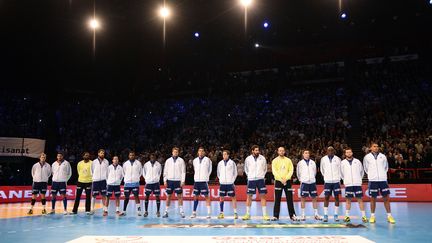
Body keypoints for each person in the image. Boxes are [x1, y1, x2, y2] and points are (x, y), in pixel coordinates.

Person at [363, 143, 395, 224]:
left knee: (386, 198)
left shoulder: (383, 156)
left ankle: (389, 216)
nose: (376, 148)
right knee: (373, 198)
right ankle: (372, 216)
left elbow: (386, 167)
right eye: (374, 146)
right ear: (371, 148)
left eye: (377, 146)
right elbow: (366, 168)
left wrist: (382, 175)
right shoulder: (367, 157)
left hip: (383, 180)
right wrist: (372, 175)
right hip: (373, 180)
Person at [242, 145, 270, 221]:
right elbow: (246, 169)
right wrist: (250, 176)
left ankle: (265, 215)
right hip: (251, 179)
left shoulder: (262, 158)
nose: (257, 151)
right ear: (252, 151)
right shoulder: (248, 159)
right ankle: (247, 214)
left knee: (263, 196)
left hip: (260, 179)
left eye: (258, 150)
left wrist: (261, 176)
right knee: (249, 196)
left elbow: (265, 168)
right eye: (256, 150)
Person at [271, 146, 298, 221]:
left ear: (284, 151)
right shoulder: (275, 161)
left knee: (290, 199)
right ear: (278, 152)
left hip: (287, 181)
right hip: (278, 182)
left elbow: (291, 170)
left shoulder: (288, 160)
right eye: (280, 151)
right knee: (277, 199)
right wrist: (281, 179)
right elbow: (274, 171)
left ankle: (292, 215)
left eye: (283, 151)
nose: (281, 152)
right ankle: (275, 216)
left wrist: (286, 178)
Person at [341, 148, 367, 223]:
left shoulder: (357, 161)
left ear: (352, 153)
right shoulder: (343, 163)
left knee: (360, 200)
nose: (348, 153)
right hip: (348, 184)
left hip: (357, 184)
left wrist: (358, 179)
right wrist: (346, 180)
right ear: (345, 154)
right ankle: (347, 216)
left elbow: (362, 172)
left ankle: (364, 216)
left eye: (350, 152)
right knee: (348, 200)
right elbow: (342, 174)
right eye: (347, 152)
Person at [297, 149, 321, 221]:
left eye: (308, 153)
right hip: (304, 182)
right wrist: (301, 180)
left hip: (312, 182)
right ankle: (303, 215)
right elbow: (298, 173)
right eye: (305, 153)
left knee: (314, 198)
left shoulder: (313, 162)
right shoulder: (300, 163)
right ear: (303, 154)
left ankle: (316, 214)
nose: (307, 154)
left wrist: (312, 178)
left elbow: (314, 172)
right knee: (303, 198)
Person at [162, 147, 186, 218]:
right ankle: (166, 212)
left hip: (178, 181)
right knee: (168, 196)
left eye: (176, 152)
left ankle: (181, 212)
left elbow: (183, 171)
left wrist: (183, 180)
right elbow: (165, 171)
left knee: (180, 197)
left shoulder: (181, 160)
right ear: (172, 152)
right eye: (174, 152)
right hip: (170, 181)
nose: (175, 153)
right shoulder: (168, 161)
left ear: (178, 153)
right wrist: (164, 180)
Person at [320, 146, 342, 222]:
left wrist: (338, 178)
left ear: (334, 151)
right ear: (327, 151)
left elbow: (340, 170)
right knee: (326, 197)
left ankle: (336, 215)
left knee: (336, 197)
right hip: (328, 181)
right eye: (329, 150)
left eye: (332, 150)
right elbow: (322, 170)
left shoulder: (338, 159)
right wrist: (326, 177)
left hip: (336, 181)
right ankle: (325, 215)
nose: (330, 151)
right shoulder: (323, 159)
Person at [190, 147, 212, 219]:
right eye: (199, 151)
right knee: (195, 197)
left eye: (202, 151)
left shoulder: (208, 160)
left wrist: (205, 177)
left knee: (206, 196)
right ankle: (194, 213)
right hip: (196, 181)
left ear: (204, 152)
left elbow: (210, 170)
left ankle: (208, 213)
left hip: (204, 181)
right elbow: (195, 169)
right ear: (198, 152)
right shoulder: (195, 160)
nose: (201, 152)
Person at [217, 150, 238, 219]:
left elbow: (235, 173)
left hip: (230, 183)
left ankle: (235, 213)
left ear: (228, 155)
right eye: (223, 154)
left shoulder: (232, 163)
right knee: (221, 198)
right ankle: (221, 213)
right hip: (222, 183)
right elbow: (218, 173)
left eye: (225, 154)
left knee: (233, 198)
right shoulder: (220, 163)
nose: (224, 156)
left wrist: (232, 180)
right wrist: (221, 180)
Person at [120, 151, 143, 216]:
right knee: (126, 197)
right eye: (130, 155)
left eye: (133, 155)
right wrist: (127, 179)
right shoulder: (125, 164)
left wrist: (136, 178)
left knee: (136, 196)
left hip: (135, 183)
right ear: (128, 156)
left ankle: (138, 211)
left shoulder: (138, 163)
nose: (131, 156)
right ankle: (124, 211)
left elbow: (140, 172)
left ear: (134, 156)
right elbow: (123, 172)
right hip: (127, 183)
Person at [90, 149, 109, 216]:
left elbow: (108, 171)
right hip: (96, 180)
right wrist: (94, 178)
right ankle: (92, 209)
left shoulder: (106, 161)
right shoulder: (94, 162)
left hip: (103, 180)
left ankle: (104, 209)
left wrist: (106, 179)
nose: (102, 154)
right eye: (101, 153)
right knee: (94, 195)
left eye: (103, 153)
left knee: (104, 195)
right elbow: (91, 171)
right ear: (98, 154)